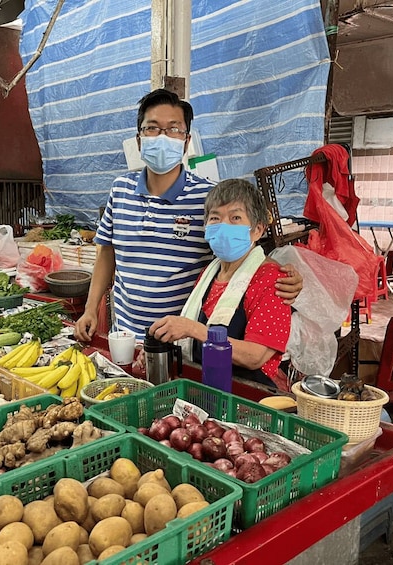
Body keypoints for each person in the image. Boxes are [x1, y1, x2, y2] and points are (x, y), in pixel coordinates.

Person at [74, 89, 302, 341]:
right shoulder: (120, 190)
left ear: (186, 141)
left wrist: (281, 274)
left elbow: (242, 251)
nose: (162, 137)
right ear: (139, 140)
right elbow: (107, 252)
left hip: (182, 340)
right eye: (152, 128)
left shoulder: (208, 197)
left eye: (173, 129)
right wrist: (90, 309)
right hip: (126, 336)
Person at [148, 178, 291, 388]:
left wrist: (193, 329)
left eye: (235, 218)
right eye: (215, 218)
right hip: (202, 388)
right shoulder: (209, 272)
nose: (224, 226)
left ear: (257, 230)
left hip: (247, 396)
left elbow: (255, 356)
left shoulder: (272, 280)